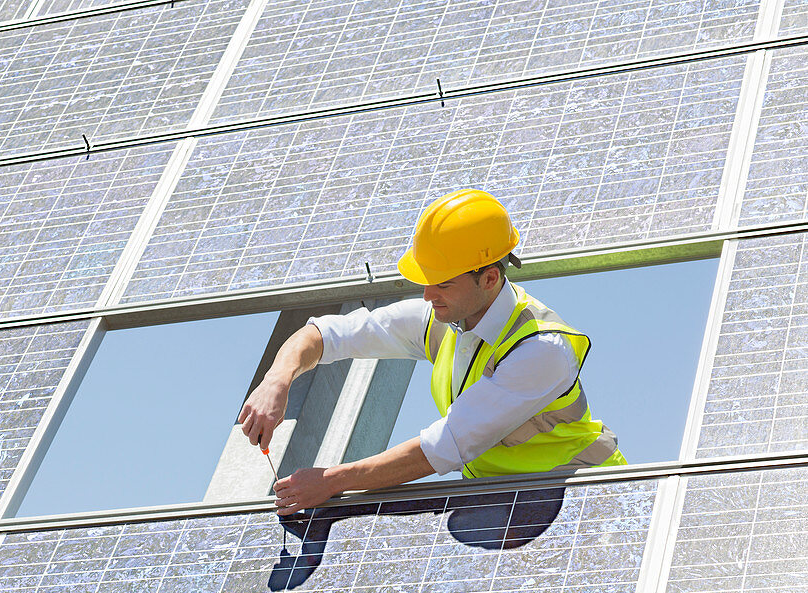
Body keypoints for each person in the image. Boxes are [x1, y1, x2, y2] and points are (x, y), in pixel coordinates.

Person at [239, 189, 626, 517]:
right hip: (510, 504)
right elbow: (328, 334)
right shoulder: (442, 317)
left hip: (589, 503)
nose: (427, 295)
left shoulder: (542, 350)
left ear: (489, 278)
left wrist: (330, 481)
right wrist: (277, 379)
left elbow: (442, 448)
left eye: (441, 283)